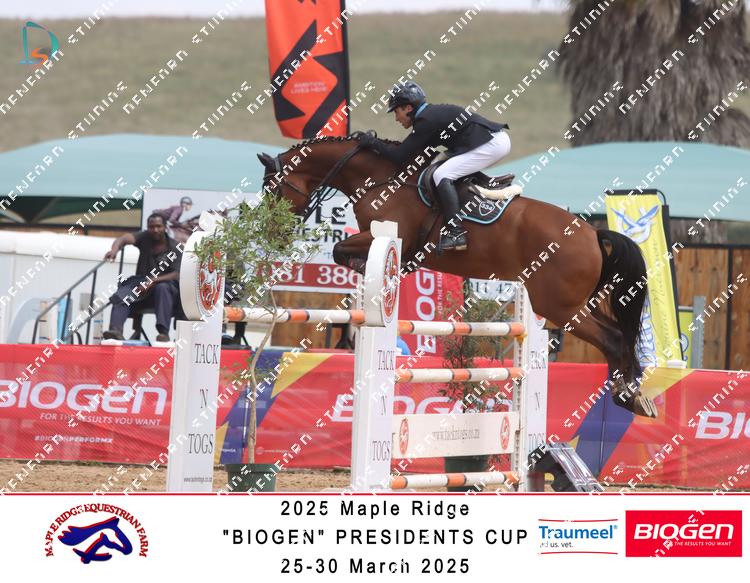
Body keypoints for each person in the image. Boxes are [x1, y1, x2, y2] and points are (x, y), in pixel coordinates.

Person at [358, 82, 510, 253]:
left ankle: (456, 233)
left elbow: (399, 156)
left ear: (408, 108)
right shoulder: (428, 116)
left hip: (492, 144)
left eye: (396, 111)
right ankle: (486, 182)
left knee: (441, 175)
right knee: (440, 165)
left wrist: (372, 142)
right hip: (491, 141)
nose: (396, 118)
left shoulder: (425, 121)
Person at [102, 213, 182, 342]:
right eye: (151, 227)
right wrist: (114, 250)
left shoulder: (175, 247)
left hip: (164, 290)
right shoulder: (144, 237)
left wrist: (152, 280)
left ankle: (163, 333)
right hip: (141, 286)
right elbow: (123, 239)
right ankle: (115, 332)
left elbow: (176, 274)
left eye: (158, 226)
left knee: (162, 288)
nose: (155, 230)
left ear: (165, 227)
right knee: (124, 292)